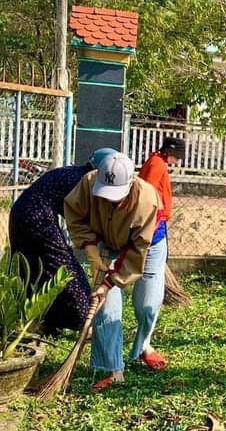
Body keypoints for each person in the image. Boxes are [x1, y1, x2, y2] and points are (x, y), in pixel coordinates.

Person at [64, 151, 160, 390]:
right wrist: (90, 249)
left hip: (147, 244)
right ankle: (112, 369)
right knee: (105, 306)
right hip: (107, 241)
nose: (109, 201)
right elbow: (74, 215)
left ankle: (143, 346)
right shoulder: (88, 183)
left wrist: (110, 282)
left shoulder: (147, 200)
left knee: (146, 306)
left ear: (130, 184)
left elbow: (136, 251)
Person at [8, 148, 117, 334]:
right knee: (63, 267)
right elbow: (83, 221)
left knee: (35, 268)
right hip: (37, 219)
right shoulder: (83, 181)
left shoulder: (74, 173)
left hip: (21, 214)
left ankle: (45, 321)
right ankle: (84, 319)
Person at [132, 136, 186, 369]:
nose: (178, 162)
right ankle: (143, 346)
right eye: (178, 157)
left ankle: (143, 345)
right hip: (152, 230)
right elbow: (148, 196)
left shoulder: (156, 160)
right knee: (150, 297)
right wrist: (150, 227)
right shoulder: (157, 164)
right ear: (171, 153)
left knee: (150, 290)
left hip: (153, 228)